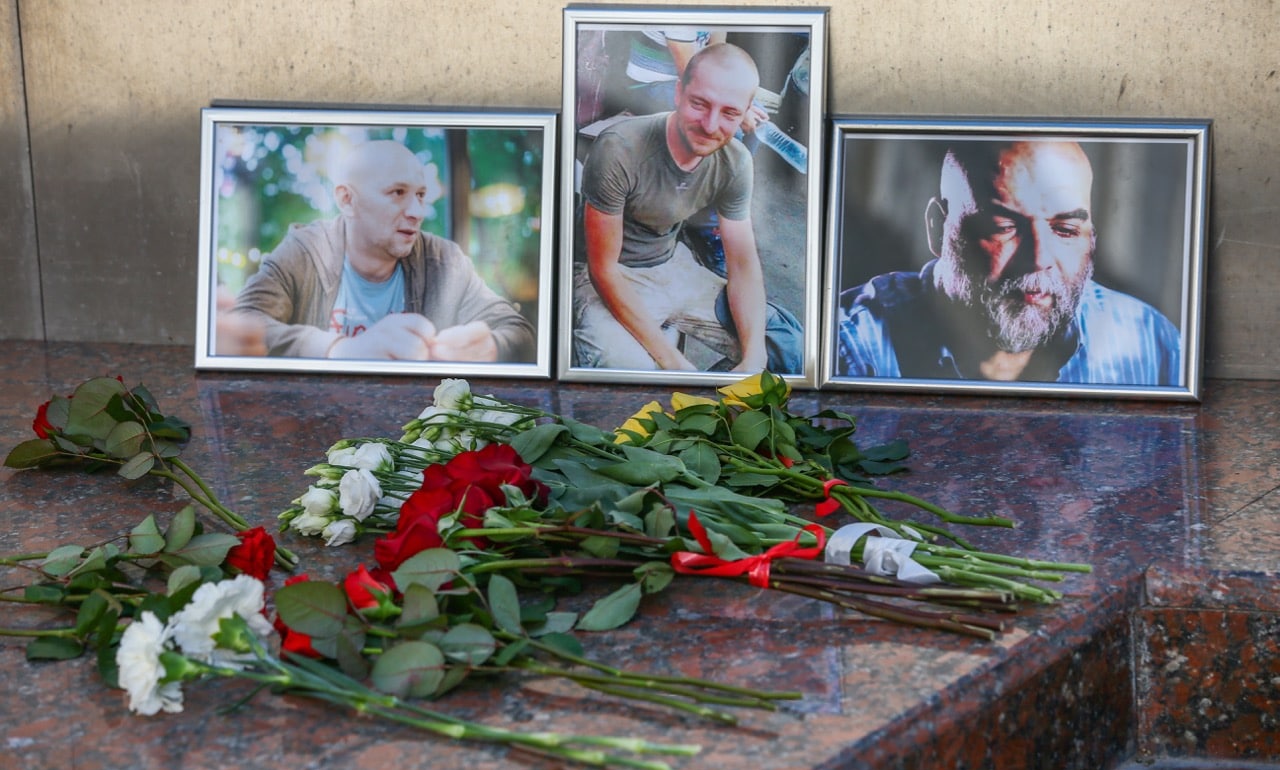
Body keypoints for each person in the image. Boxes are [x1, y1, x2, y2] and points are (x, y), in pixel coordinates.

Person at [836, 140, 1181, 385]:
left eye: (1065, 230)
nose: (1039, 259)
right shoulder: (848, 349)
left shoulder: (1150, 342)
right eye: (1002, 228)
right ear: (937, 229)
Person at [574, 42, 801, 373]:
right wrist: (673, 362)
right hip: (613, 274)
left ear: (747, 112)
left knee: (787, 346)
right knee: (624, 372)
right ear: (678, 93)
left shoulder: (736, 162)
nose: (710, 125)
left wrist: (754, 358)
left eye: (730, 113)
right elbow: (603, 269)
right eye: (700, 104)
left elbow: (742, 264)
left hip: (673, 264)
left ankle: (709, 410)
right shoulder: (619, 148)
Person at [230, 139, 535, 362]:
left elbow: (518, 331)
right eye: (398, 193)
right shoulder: (305, 250)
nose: (417, 211)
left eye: (420, 194)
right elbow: (241, 325)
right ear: (347, 200)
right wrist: (339, 349)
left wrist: (492, 345)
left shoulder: (443, 260)